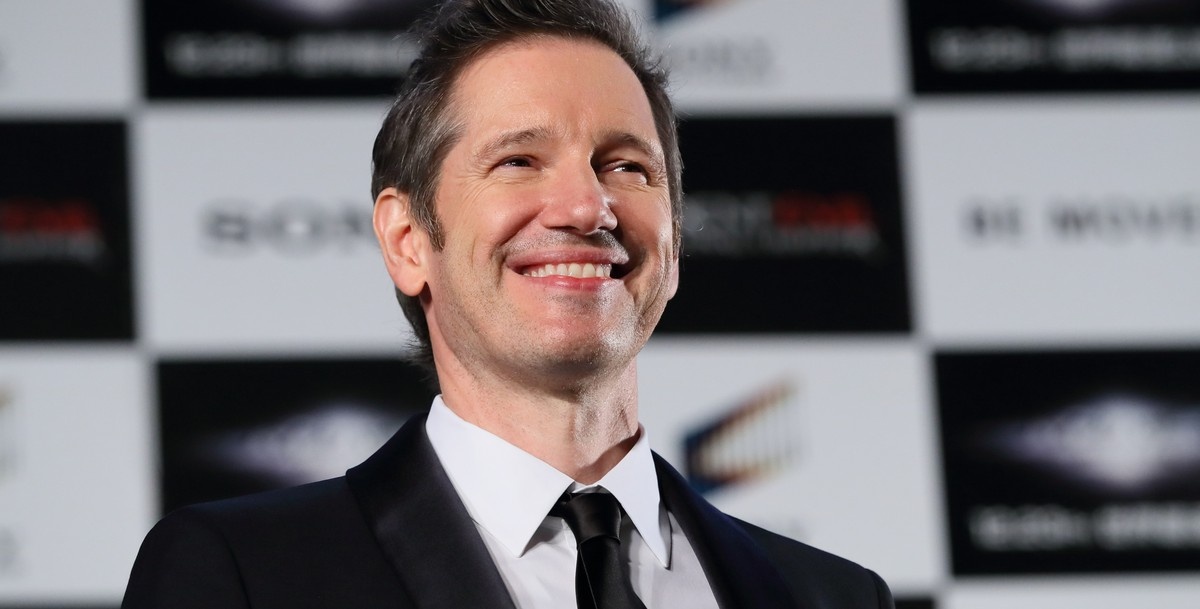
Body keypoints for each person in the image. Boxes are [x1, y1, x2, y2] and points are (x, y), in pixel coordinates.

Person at [122, 1, 895, 607]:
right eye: (519, 160)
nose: (586, 206)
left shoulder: (835, 595)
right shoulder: (243, 573)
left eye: (626, 166)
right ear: (408, 240)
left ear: (675, 239)